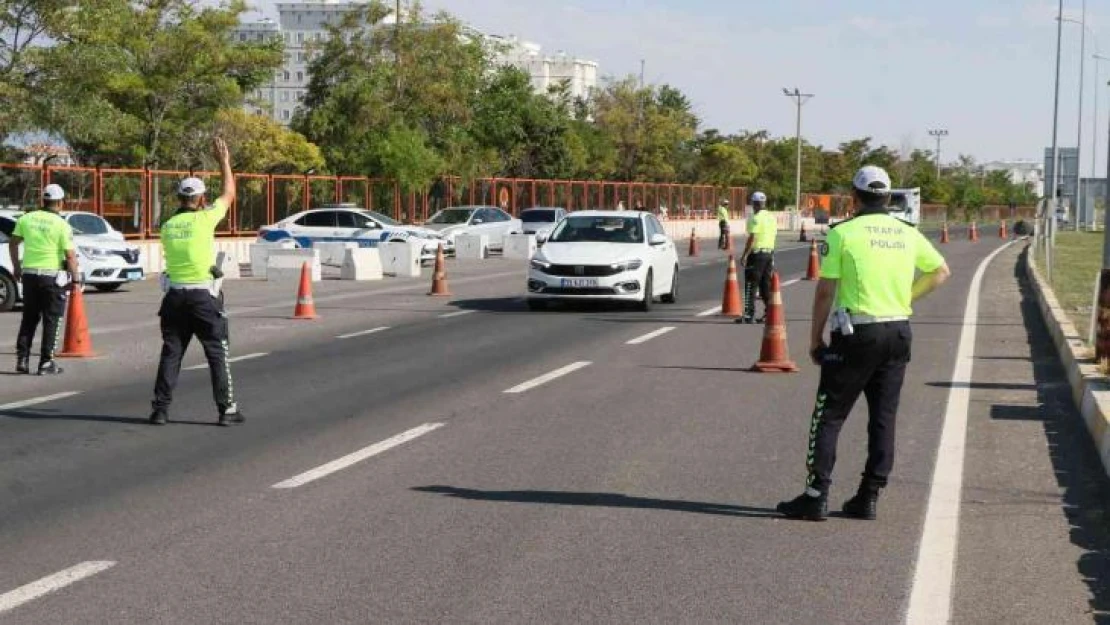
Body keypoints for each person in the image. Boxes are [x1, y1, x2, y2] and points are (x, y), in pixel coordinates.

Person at [776, 165, 950, 522]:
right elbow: (941, 272)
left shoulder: (844, 233)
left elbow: (826, 290)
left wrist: (814, 339)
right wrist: (907, 298)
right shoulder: (907, 233)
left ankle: (816, 496)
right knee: (883, 418)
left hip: (857, 334)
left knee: (830, 415)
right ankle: (868, 497)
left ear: (854, 198)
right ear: (887, 198)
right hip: (897, 330)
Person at [149, 137, 243, 426]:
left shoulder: (167, 226)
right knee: (217, 351)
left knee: (171, 353)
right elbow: (229, 193)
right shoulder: (204, 219)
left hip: (174, 297)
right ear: (201, 199)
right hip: (203, 296)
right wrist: (224, 161)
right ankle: (226, 409)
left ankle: (160, 410)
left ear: (179, 198)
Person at [8, 184, 80, 375]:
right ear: (60, 202)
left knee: (29, 319)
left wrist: (16, 267)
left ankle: (22, 360)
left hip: (29, 276)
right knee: (52, 319)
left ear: (43, 200)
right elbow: (71, 256)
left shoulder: (26, 218)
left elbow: (13, 243)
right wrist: (76, 280)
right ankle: (46, 363)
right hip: (51, 278)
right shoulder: (62, 225)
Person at [736, 191, 775, 324]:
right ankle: (770, 313)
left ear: (755, 203)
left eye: (753, 203)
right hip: (769, 254)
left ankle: (748, 315)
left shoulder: (756, 218)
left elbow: (752, 237)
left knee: (750, 285)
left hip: (757, 254)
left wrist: (744, 255)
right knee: (765, 286)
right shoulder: (771, 217)